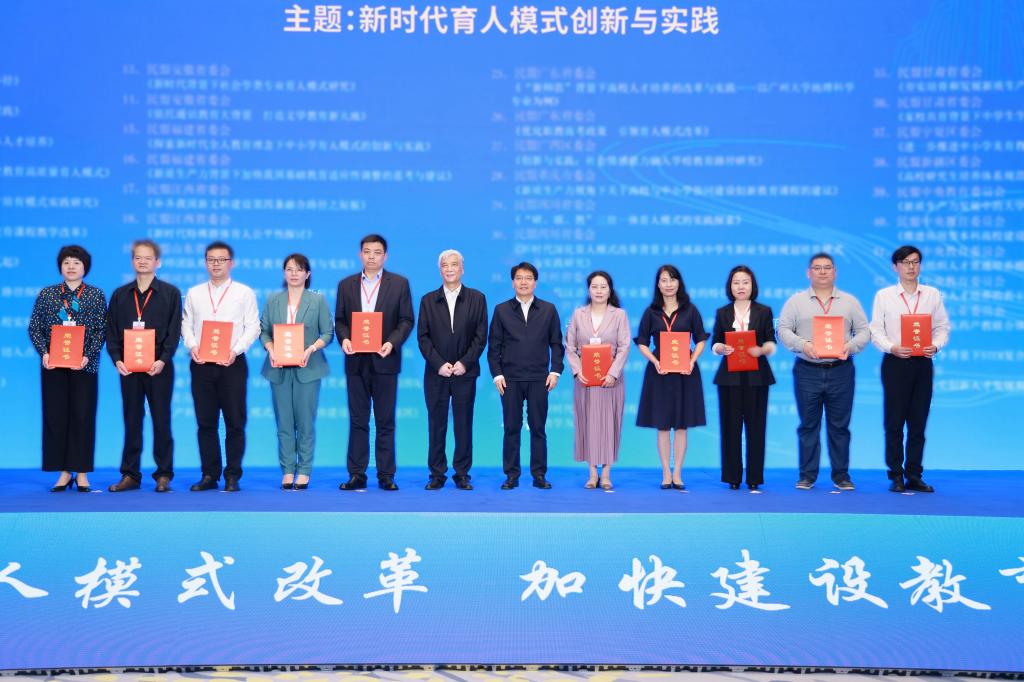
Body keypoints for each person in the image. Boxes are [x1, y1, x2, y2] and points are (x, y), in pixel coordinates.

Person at [777, 252, 870, 491]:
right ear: (808, 273)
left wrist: (850, 346)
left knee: (839, 426)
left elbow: (864, 331)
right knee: (808, 425)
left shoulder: (849, 302)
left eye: (827, 267)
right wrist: (803, 345)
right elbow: (783, 329)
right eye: (817, 268)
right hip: (807, 370)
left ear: (835, 272)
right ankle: (807, 475)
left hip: (841, 370)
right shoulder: (796, 302)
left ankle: (841, 476)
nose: (822, 272)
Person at [335, 234, 414, 491]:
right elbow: (340, 321)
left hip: (385, 360)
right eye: (367, 251)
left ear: (385, 256)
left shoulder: (399, 284)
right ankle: (357, 474)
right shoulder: (346, 285)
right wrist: (345, 339)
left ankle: (386, 475)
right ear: (360, 254)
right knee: (358, 420)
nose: (371, 256)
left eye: (377, 252)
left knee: (385, 421)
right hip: (356, 361)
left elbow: (406, 320)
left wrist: (392, 342)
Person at [869, 245, 950, 493]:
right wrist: (891, 347)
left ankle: (914, 474)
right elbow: (876, 330)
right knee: (894, 422)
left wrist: (935, 346)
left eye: (915, 262)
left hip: (922, 363)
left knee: (918, 421)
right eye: (905, 262)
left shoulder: (932, 294)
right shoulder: (884, 296)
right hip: (895, 362)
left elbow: (942, 327)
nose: (911, 267)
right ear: (895, 267)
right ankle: (896, 475)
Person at [181, 241, 260, 492]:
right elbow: (186, 324)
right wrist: (192, 346)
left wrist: (235, 350)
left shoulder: (244, 293)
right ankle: (209, 474)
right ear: (205, 263)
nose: (216, 264)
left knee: (235, 422)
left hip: (232, 364)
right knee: (206, 422)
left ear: (231, 263)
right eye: (211, 260)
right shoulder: (194, 293)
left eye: (221, 260)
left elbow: (253, 327)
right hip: (202, 364)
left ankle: (233, 475)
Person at [28, 245, 107, 492]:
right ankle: (63, 472)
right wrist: (45, 352)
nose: (71, 267)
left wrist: (87, 355)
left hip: (85, 366)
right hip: (54, 366)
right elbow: (34, 327)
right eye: (66, 262)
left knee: (82, 417)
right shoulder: (47, 294)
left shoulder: (95, 295)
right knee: (56, 417)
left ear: (85, 267)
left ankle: (81, 473)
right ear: (60, 267)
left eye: (76, 262)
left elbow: (101, 330)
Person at [106, 239, 182, 493]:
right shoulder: (120, 295)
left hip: (159, 367)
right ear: (132, 261)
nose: (142, 261)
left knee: (162, 420)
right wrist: (117, 359)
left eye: (148, 258)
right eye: (138, 257)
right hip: (128, 368)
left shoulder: (170, 293)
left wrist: (163, 359)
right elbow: (111, 331)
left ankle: (163, 474)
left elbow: (174, 332)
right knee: (131, 420)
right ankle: (130, 474)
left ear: (157, 262)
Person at [487, 262, 565, 490]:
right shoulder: (501, 310)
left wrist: (555, 371)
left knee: (538, 428)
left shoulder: (548, 309)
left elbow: (556, 344)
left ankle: (539, 474)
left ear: (535, 283)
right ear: (513, 283)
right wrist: (497, 375)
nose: (523, 282)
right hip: (510, 379)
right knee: (511, 428)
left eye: (528, 278)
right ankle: (511, 475)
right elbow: (494, 347)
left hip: (539, 378)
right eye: (519, 278)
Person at [260, 254, 334, 491]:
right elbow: (263, 331)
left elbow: (328, 333)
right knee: (283, 422)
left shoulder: (318, 300)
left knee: (305, 422)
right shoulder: (273, 300)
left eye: (299, 269)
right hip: (278, 368)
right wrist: (271, 349)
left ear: (307, 274)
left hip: (308, 368)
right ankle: (288, 470)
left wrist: (311, 349)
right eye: (290, 269)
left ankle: (304, 470)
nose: (294, 273)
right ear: (284, 273)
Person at [416, 249, 488, 491]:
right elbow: (423, 337)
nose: (449, 269)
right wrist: (439, 364)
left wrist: (464, 363)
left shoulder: (477, 298)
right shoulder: (428, 300)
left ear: (462, 269)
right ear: (440, 270)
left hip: (465, 373)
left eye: (454, 264)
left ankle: (462, 473)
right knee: (436, 424)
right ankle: (437, 474)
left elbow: (480, 336)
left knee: (463, 423)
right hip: (436, 373)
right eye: (445, 265)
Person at [634, 265, 707, 490]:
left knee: (682, 425)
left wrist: (692, 359)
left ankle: (678, 473)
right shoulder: (651, 312)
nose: (668, 284)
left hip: (685, 373)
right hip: (660, 373)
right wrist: (654, 361)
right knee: (663, 425)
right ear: (658, 284)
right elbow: (642, 342)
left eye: (672, 279)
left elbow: (701, 339)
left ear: (679, 283)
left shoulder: (690, 310)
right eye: (664, 280)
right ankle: (666, 472)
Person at [710, 265, 776, 491]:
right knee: (730, 427)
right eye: (736, 282)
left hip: (757, 376)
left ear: (752, 285)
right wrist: (720, 348)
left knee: (756, 427)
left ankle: (754, 476)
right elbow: (715, 342)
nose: (741, 286)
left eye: (745, 282)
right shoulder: (722, 312)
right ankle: (733, 476)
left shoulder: (764, 311)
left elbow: (771, 341)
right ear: (730, 286)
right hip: (729, 377)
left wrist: (762, 350)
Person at [565, 271, 630, 490]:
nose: (599, 291)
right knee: (588, 424)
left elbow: (624, 347)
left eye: (603, 287)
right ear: (588, 290)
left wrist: (613, 373)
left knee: (610, 424)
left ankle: (607, 474)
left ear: (610, 290)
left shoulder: (619, 315)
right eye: (595, 287)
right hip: (585, 380)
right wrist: (577, 371)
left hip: (611, 381)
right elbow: (570, 346)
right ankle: (592, 474)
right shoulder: (578, 314)